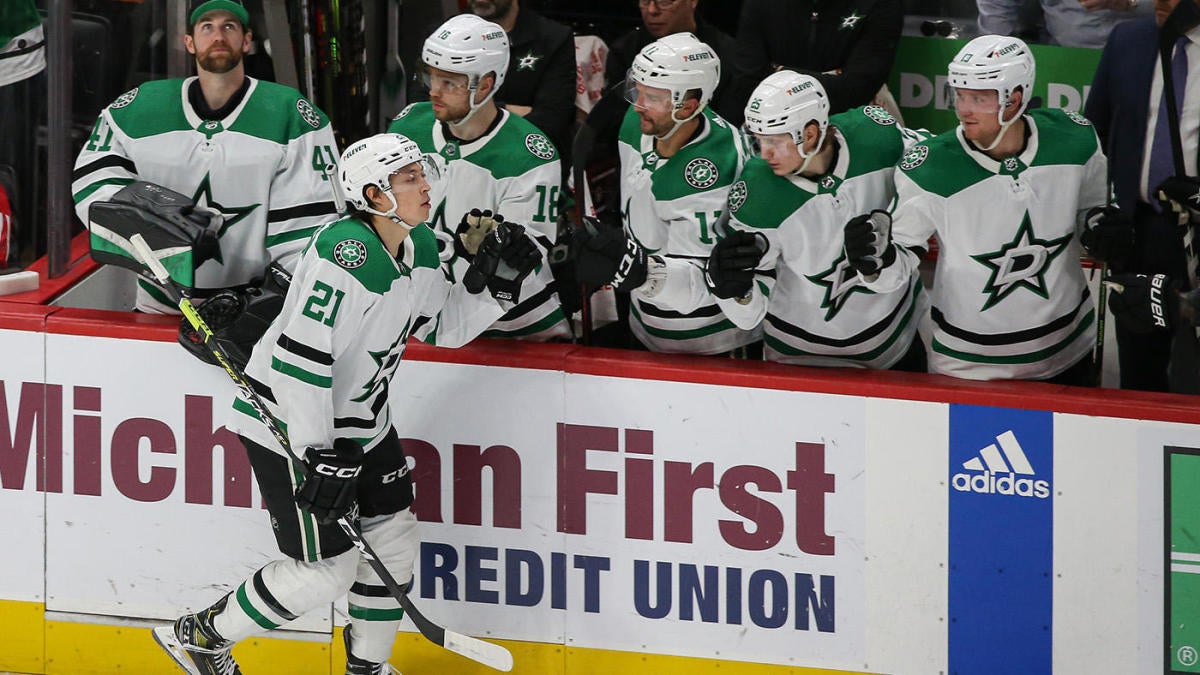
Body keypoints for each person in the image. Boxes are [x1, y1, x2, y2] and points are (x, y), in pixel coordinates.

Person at [152, 133, 539, 675]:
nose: (425, 185)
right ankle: (200, 636)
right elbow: (297, 361)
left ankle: (368, 668)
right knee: (327, 571)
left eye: (420, 174)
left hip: (363, 426)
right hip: (290, 425)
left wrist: (492, 289)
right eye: (409, 179)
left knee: (395, 541)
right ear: (376, 196)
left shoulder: (419, 244)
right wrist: (316, 453)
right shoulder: (345, 254)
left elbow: (443, 327)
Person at [849, 35, 1120, 383]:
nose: (964, 109)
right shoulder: (930, 167)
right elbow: (895, 268)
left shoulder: (1074, 138)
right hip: (968, 365)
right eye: (960, 95)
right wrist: (874, 260)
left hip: (1067, 349)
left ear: (1015, 98)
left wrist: (1101, 228)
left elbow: (1094, 211)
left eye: (979, 98)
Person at [72, 0, 340, 314]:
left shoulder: (290, 114)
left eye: (229, 26)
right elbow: (94, 181)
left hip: (251, 312)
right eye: (207, 27)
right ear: (188, 42)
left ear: (247, 40)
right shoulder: (139, 108)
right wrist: (153, 231)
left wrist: (276, 301)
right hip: (158, 307)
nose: (218, 36)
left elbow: (310, 227)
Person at [707, 71, 927, 369]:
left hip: (896, 341)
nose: (764, 153)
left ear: (810, 134)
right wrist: (734, 291)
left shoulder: (878, 137)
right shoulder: (755, 194)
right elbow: (748, 315)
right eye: (759, 140)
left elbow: (936, 159)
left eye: (774, 140)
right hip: (795, 356)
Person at [388, 14, 571, 341]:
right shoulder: (406, 130)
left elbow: (526, 261)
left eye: (450, 82)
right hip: (428, 324)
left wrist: (492, 253)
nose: (433, 91)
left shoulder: (530, 155)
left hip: (515, 332)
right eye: (431, 77)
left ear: (485, 84)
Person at [574, 32, 756, 355]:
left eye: (652, 97)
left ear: (687, 106)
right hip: (644, 324)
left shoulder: (717, 169)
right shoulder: (637, 122)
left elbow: (706, 285)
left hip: (711, 342)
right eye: (637, 90)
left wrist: (637, 270)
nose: (637, 104)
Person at [1085, 0, 1200, 391]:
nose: (1162, 1)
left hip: (1196, 236)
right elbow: (1095, 135)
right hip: (1138, 232)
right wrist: (1100, 213)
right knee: (1138, 373)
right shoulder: (1128, 40)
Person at [725, 0, 904, 125]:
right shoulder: (760, 4)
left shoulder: (882, 3)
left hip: (854, 119)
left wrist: (779, 73)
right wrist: (829, 79)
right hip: (772, 115)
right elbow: (747, 77)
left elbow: (858, 87)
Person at [467, 0, 577, 164]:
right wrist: (506, 109)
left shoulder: (554, 37)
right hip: (459, 160)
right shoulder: (441, 36)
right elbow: (425, 108)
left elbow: (551, 120)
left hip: (529, 161)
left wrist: (468, 111)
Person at [604, 0, 737, 122]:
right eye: (645, 1)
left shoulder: (728, 55)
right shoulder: (623, 51)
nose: (652, 10)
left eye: (664, 1)